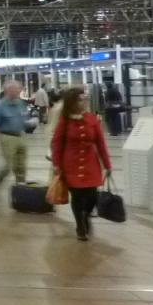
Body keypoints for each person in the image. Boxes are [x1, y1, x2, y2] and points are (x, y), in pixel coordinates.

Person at [51, 88, 112, 241]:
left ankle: (86, 216)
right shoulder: (64, 121)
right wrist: (56, 164)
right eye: (80, 100)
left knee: (92, 197)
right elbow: (57, 143)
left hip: (91, 165)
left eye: (85, 99)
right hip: (70, 165)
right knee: (77, 197)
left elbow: (101, 143)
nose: (83, 102)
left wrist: (107, 165)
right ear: (72, 102)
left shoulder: (92, 119)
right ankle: (80, 225)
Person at [0, 79, 29, 196]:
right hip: (7, 138)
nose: (18, 91)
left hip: (20, 136)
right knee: (7, 167)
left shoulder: (21, 104)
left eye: (19, 89)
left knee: (21, 166)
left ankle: (21, 190)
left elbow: (24, 119)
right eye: (16, 89)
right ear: (8, 91)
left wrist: (30, 123)